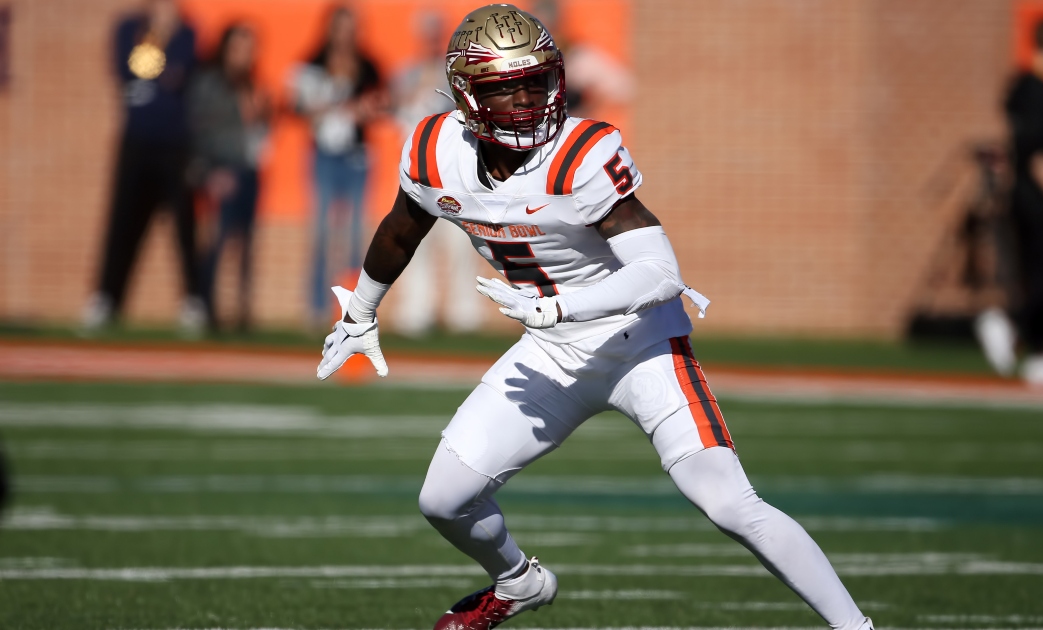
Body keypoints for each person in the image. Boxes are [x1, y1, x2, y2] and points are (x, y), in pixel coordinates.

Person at [316, 6, 874, 630]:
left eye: (536, 82)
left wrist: (560, 305)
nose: (528, 101)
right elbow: (403, 226)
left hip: (639, 344)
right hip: (553, 350)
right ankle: (519, 582)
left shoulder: (582, 151)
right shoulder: (433, 147)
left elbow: (660, 273)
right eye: (506, 89)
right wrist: (362, 310)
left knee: (728, 502)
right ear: (469, 96)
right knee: (443, 499)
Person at [83, 0, 205, 335]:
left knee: (184, 224)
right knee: (122, 221)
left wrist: (162, 49)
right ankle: (106, 299)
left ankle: (194, 302)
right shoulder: (127, 28)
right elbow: (130, 71)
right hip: (135, 141)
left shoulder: (188, 32)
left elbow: (179, 75)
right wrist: (157, 38)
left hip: (175, 143)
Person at [976, 16, 1043, 387]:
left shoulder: (1021, 87)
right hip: (1038, 198)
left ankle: (1040, 355)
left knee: (1040, 273)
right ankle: (1008, 322)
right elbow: (1039, 154)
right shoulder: (1039, 91)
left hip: (1022, 196)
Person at [292, 5, 387, 327]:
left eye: (351, 28)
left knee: (355, 235)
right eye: (340, 27)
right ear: (329, 29)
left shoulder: (368, 65)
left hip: (357, 157)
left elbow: (383, 102)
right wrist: (324, 105)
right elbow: (297, 107)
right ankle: (316, 308)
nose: (345, 34)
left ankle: (351, 309)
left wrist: (367, 109)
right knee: (320, 231)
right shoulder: (313, 63)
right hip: (323, 156)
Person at [389, 12, 482, 337]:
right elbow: (394, 110)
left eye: (435, 34)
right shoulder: (405, 73)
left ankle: (464, 314)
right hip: (416, 169)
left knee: (460, 240)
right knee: (414, 239)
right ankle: (416, 311)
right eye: (425, 34)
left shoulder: (457, 74)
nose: (430, 41)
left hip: (455, 169)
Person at [187, 23, 270, 332]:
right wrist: (210, 171)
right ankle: (205, 308)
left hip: (249, 169)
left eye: (250, 49)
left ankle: (242, 313)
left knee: (246, 242)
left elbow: (258, 131)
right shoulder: (209, 84)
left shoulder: (252, 85)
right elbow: (198, 130)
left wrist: (263, 111)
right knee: (218, 241)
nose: (245, 56)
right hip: (222, 170)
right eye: (239, 48)